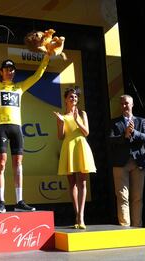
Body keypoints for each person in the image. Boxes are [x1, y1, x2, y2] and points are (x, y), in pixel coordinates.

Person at [0, 45, 50, 213]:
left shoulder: (20, 87)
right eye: (7, 69)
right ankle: (1, 201)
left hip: (16, 128)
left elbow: (37, 75)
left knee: (18, 164)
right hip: (1, 128)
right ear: (1, 72)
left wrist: (47, 57)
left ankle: (19, 201)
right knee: (1, 163)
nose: (10, 71)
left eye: (12, 69)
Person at [54, 87, 96, 229]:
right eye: (71, 97)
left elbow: (86, 132)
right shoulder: (62, 116)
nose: (74, 99)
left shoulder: (82, 113)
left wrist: (77, 120)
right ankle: (76, 213)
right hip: (69, 148)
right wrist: (60, 122)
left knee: (82, 183)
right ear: (66, 99)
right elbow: (60, 136)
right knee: (72, 184)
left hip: (81, 146)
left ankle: (81, 216)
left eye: (76, 97)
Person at [109, 94, 145, 227]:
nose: (124, 106)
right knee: (122, 196)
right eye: (122, 104)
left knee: (137, 197)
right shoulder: (114, 122)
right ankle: (125, 227)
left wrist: (134, 133)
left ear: (132, 104)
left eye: (126, 103)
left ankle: (137, 227)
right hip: (120, 163)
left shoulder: (141, 121)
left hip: (138, 162)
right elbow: (110, 140)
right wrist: (125, 135)